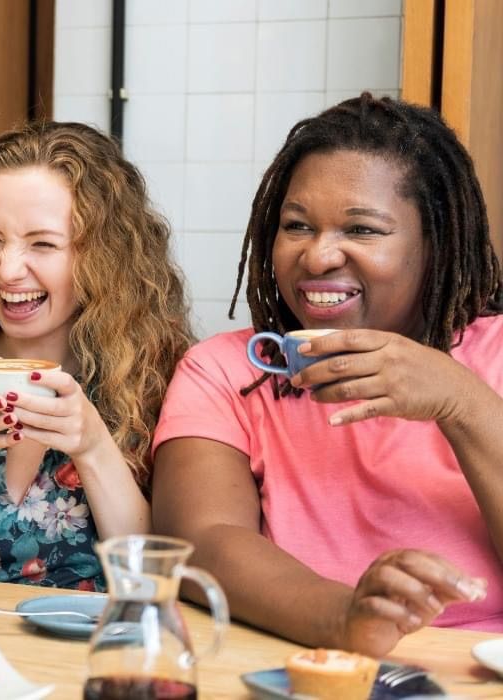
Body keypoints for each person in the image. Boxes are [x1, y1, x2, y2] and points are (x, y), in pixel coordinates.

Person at [152, 94, 503, 656]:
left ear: (435, 244)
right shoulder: (226, 371)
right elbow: (202, 541)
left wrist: (460, 401)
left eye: (362, 230)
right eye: (297, 226)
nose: (318, 257)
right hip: (291, 664)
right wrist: (346, 617)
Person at [0, 121, 193, 589]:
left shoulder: (161, 379)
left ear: (104, 256)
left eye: (42, 244)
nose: (7, 269)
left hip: (90, 655)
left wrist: (93, 447)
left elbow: (155, 585)